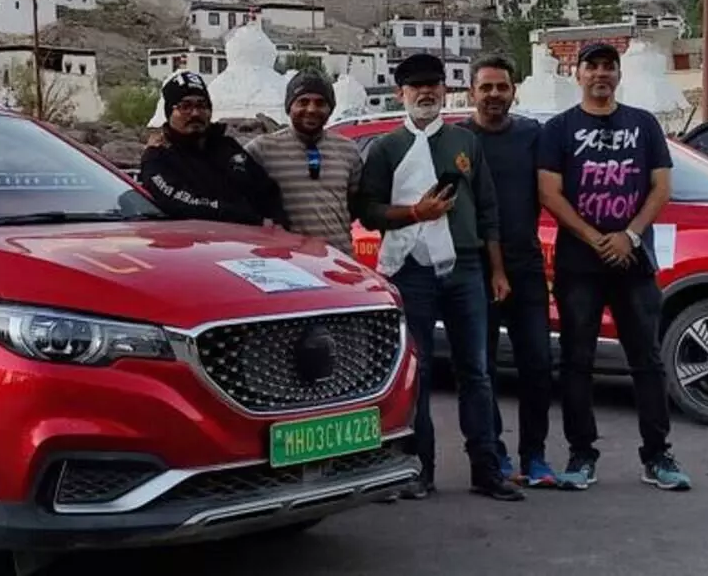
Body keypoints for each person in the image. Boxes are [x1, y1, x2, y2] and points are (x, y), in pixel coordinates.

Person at [357, 52, 522, 502]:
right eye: (416, 87)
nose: (426, 92)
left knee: (478, 373)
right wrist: (415, 212)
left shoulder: (464, 142)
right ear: (401, 94)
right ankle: (419, 470)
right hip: (411, 271)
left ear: (444, 91)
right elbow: (368, 211)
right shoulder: (386, 148)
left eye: (433, 85)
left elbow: (488, 209)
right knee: (419, 374)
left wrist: (498, 269)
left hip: (466, 266)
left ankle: (486, 470)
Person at [537, 42, 690, 492]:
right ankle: (581, 456)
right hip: (578, 263)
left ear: (618, 75)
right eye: (593, 66)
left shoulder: (642, 125)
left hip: (634, 260)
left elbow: (661, 187)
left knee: (647, 359)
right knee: (576, 361)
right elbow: (549, 193)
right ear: (577, 73)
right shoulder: (559, 128)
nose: (601, 74)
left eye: (609, 67)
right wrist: (595, 238)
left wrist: (631, 236)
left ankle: (657, 456)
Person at [463, 54, 558, 488]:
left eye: (502, 87)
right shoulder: (457, 139)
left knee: (537, 363)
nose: (494, 95)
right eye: (486, 88)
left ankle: (534, 457)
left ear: (513, 90)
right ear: (472, 93)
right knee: (480, 369)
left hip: (526, 265)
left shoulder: (532, 135)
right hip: (473, 271)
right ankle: (494, 453)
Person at [139, 71, 288, 227]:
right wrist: (248, 219)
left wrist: (278, 222)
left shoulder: (228, 147)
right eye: (185, 106)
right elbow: (179, 201)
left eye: (201, 105)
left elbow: (266, 189)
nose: (195, 113)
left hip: (254, 244)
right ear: (170, 112)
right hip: (199, 244)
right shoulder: (157, 156)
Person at [245, 70, 363, 254]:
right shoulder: (262, 150)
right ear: (289, 107)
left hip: (339, 262)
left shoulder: (348, 150)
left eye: (320, 103)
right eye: (303, 102)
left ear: (330, 109)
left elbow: (354, 205)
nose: (311, 109)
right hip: (292, 264)